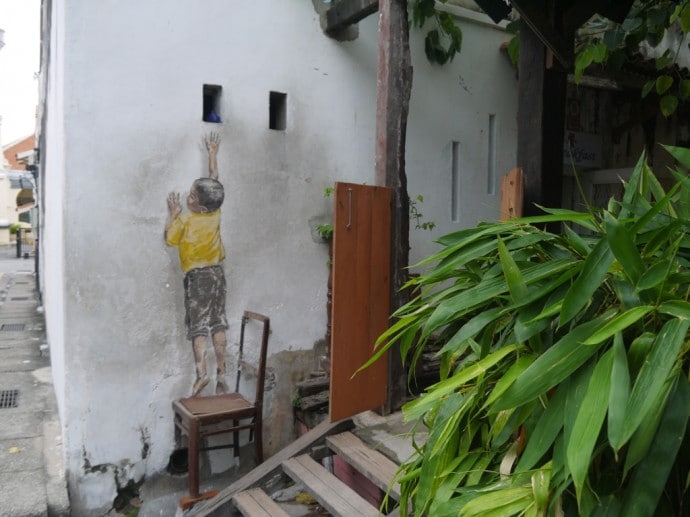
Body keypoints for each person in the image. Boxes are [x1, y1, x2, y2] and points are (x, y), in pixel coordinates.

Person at [165, 132, 229, 396]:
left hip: (197, 279)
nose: (188, 197)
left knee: (198, 328)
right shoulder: (214, 212)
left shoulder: (187, 220)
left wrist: (173, 215)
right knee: (218, 322)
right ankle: (222, 372)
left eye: (192, 197)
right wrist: (212, 153)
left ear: (200, 207)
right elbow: (214, 181)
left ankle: (202, 374)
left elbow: (170, 240)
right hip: (217, 275)